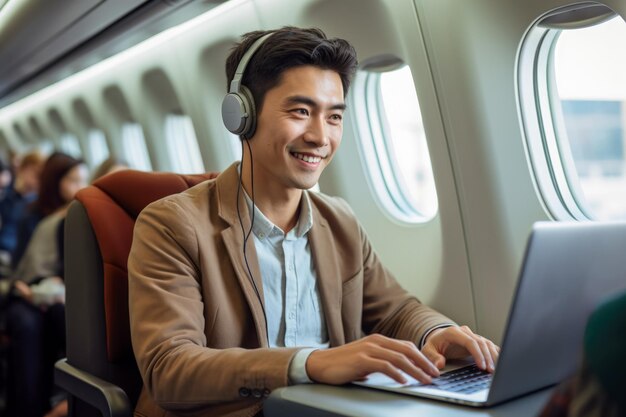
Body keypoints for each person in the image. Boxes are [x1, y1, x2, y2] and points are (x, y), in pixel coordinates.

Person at [128, 27, 499, 417]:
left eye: (334, 116)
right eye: (301, 111)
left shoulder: (338, 221)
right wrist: (311, 363)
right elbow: (169, 368)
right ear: (242, 114)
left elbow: (396, 310)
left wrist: (438, 333)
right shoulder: (171, 224)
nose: (321, 136)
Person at [5, 152, 88, 417]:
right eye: (72, 180)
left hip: (55, 289)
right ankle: (28, 407)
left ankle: (80, 397)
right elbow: (22, 265)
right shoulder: (30, 215)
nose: (79, 186)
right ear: (56, 182)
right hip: (24, 289)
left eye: (82, 180)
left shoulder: (80, 213)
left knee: (59, 313)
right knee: (29, 325)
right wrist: (36, 291)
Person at [0, 151, 45, 272]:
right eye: (34, 172)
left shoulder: (38, 206)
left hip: (17, 257)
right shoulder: (7, 196)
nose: (36, 179)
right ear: (23, 169)